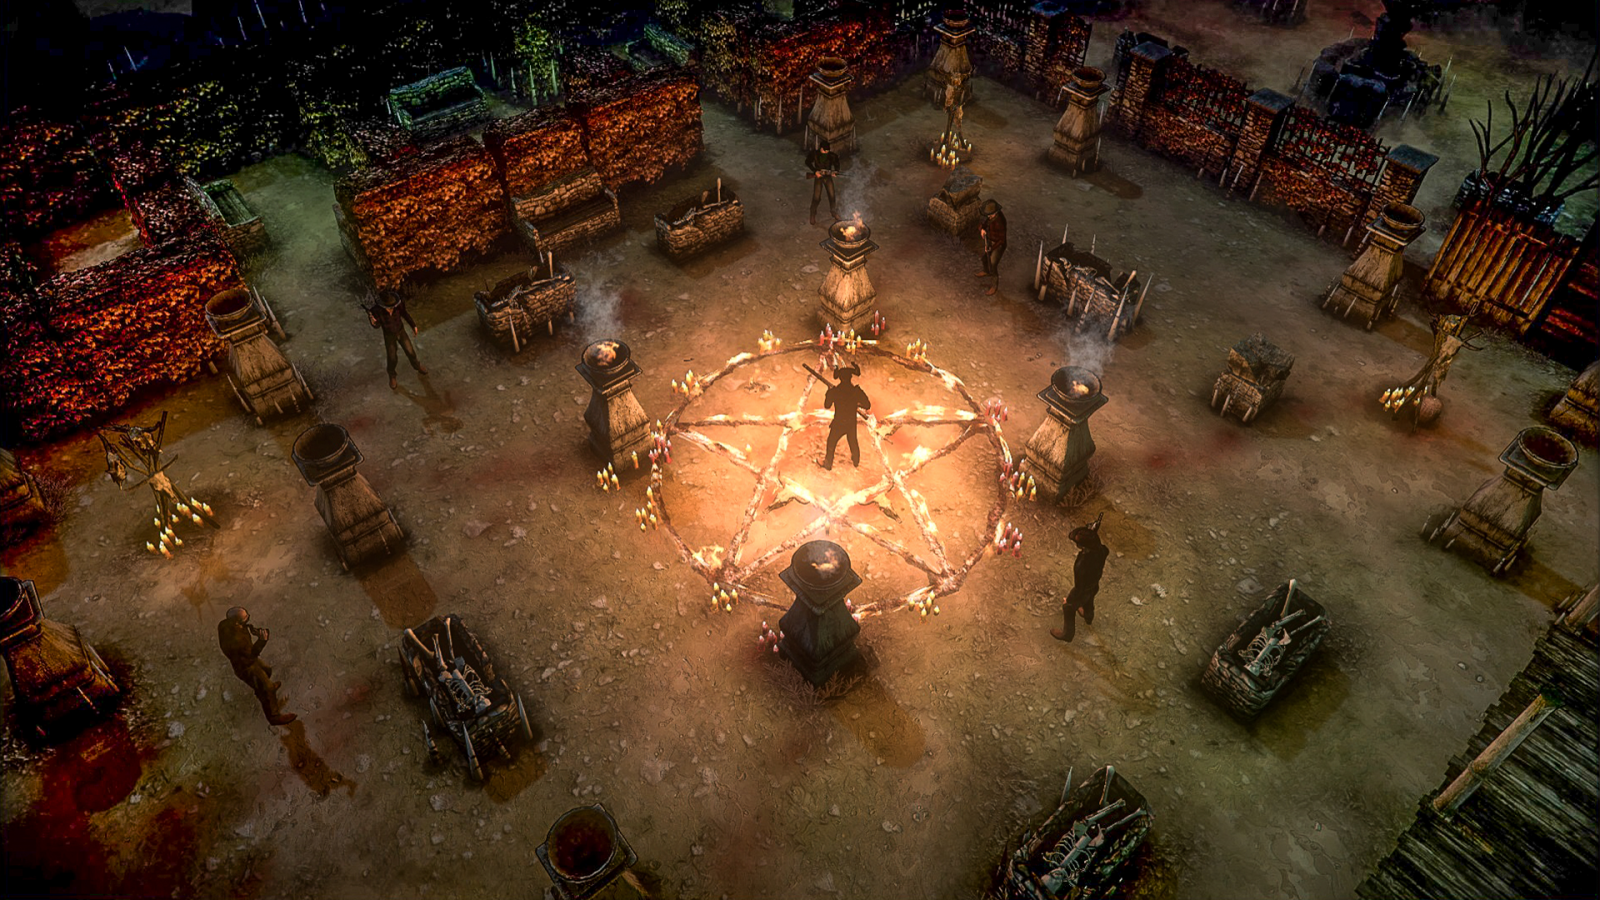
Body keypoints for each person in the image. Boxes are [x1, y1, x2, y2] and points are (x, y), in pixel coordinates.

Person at [218, 606, 295, 725]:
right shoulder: (236, 640)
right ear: (237, 622)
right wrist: (262, 640)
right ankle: (274, 717)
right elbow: (251, 654)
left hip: (246, 659)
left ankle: (262, 689)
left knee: (267, 670)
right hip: (245, 666)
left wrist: (252, 630)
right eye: (245, 617)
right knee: (267, 687)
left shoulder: (227, 625)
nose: (248, 617)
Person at [1052, 515, 1108, 643]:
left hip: (1083, 590)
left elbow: (1079, 587)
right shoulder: (1101, 551)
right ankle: (1088, 617)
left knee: (1068, 608)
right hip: (1094, 585)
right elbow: (1099, 546)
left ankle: (1067, 634)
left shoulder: (1082, 564)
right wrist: (1092, 534)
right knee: (1089, 600)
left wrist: (1070, 601)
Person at [368, 289, 427, 389]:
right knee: (392, 358)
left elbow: (405, 314)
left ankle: (417, 366)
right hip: (389, 335)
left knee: (411, 352)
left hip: (401, 331)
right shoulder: (376, 310)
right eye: (389, 307)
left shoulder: (398, 305)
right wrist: (373, 321)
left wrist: (413, 325)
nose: (392, 308)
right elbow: (377, 325)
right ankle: (392, 375)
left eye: (392, 306)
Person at [822, 364, 871, 470]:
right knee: (853, 442)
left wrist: (829, 393)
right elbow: (867, 405)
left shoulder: (835, 391)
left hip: (838, 422)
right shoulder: (856, 391)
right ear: (850, 377)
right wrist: (856, 404)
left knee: (831, 443)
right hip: (851, 423)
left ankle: (828, 464)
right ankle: (856, 463)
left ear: (840, 378)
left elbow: (827, 405)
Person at [806, 139, 841, 226]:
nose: (826, 152)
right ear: (821, 149)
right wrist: (815, 172)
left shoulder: (832, 155)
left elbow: (837, 163)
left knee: (832, 195)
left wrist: (836, 171)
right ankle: (813, 213)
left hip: (828, 177)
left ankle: (833, 212)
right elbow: (807, 162)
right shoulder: (815, 154)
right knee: (816, 197)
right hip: (818, 177)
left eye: (827, 151)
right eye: (824, 150)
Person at [977, 199, 1007, 296]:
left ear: (996, 212)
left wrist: (991, 248)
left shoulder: (1000, 222)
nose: (988, 216)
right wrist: (982, 229)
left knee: (993, 263)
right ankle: (986, 271)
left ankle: (994, 286)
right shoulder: (990, 218)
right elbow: (983, 224)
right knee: (984, 258)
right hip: (990, 240)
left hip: (998, 244)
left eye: (990, 215)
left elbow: (1001, 240)